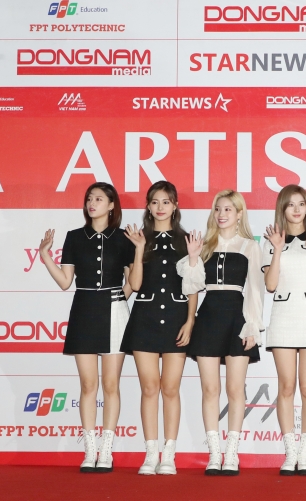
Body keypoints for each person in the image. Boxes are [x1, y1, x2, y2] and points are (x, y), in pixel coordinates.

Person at [38, 182, 133, 473]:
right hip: (84, 311)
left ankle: (107, 450)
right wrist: (45, 256)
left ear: (112, 205)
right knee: (89, 385)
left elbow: (133, 282)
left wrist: (118, 298)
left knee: (111, 385)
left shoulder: (125, 238)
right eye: (89, 198)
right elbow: (65, 282)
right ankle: (90, 449)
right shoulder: (74, 237)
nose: (92, 203)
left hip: (115, 312)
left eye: (99, 199)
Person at [180, 190, 264, 476]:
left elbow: (255, 289)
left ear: (239, 214)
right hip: (209, 317)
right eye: (218, 208)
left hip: (238, 318)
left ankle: (231, 454)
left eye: (228, 209)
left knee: (235, 389)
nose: (222, 214)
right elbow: (191, 287)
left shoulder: (250, 246)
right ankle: (214, 454)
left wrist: (252, 325)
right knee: (210, 389)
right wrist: (193, 258)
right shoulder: (204, 245)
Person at [119, 181, 198, 475]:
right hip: (145, 320)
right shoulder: (137, 239)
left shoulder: (187, 240)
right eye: (155, 202)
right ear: (148, 207)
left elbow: (193, 285)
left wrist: (190, 321)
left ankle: (169, 455)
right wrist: (140, 249)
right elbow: (135, 284)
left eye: (166, 201)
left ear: (175, 205)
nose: (160, 207)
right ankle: (151, 454)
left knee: (171, 388)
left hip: (177, 319)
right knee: (150, 387)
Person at [263, 184, 306, 476]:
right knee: (286, 386)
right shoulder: (271, 240)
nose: (296, 209)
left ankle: (305, 453)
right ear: (282, 207)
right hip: (283, 315)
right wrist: (278, 249)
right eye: (290, 204)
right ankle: (289, 452)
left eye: (301, 204)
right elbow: (270, 285)